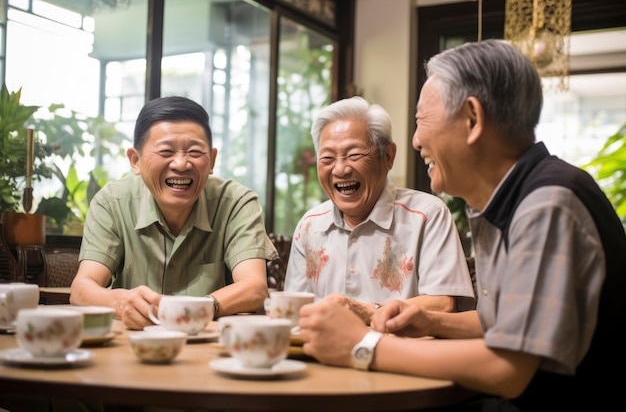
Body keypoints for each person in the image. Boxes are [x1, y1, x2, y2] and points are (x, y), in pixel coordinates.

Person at [297, 39, 626, 411]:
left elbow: (507, 368)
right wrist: (431, 322)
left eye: (422, 122)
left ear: (472, 119)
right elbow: (509, 325)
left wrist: (363, 345)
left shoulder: (547, 202)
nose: (416, 140)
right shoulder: (511, 198)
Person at [70, 96, 277, 331]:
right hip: (133, 345)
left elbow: (254, 287)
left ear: (212, 160)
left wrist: (191, 311)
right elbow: (81, 288)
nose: (181, 164)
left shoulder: (236, 202)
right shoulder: (113, 202)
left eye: (195, 152)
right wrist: (120, 301)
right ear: (135, 160)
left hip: (208, 345)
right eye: (166, 151)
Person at [284, 96, 476, 324]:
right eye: (327, 158)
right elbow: (293, 308)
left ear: (388, 157)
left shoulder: (427, 215)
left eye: (354, 155)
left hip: (402, 356)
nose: (340, 169)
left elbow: (443, 304)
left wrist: (366, 310)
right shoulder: (309, 226)